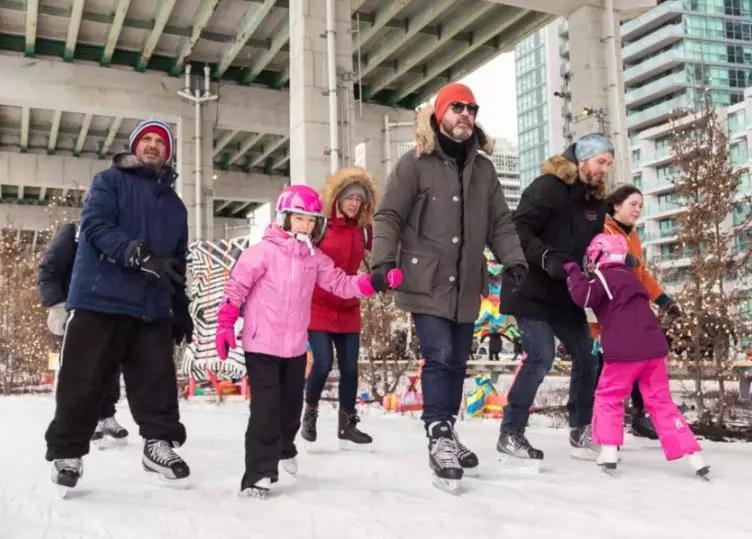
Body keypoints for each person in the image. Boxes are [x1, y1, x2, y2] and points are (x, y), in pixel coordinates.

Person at [372, 82, 528, 491]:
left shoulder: (484, 169)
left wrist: (514, 260)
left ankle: (447, 430)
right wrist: (382, 261)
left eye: (472, 109)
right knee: (439, 354)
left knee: (458, 359)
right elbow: (388, 215)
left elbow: (499, 223)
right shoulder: (415, 163)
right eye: (457, 107)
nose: (466, 114)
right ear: (439, 113)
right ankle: (438, 432)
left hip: (466, 283)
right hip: (426, 279)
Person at [214, 185, 399, 498]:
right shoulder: (262, 253)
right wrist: (225, 324)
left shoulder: (314, 258)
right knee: (265, 409)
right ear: (284, 218)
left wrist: (375, 282)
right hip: (262, 346)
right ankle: (259, 474)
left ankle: (285, 445)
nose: (305, 226)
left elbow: (341, 283)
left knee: (290, 408)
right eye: (299, 219)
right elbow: (236, 289)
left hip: (295, 347)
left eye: (311, 221)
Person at [44, 119, 194, 490]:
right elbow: (94, 227)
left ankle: (158, 444)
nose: (154, 145)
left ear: (168, 153)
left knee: (158, 380)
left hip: (151, 306)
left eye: (161, 141)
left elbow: (178, 262)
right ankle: (68, 454)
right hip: (101, 298)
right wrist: (132, 251)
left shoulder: (176, 207)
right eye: (147, 139)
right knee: (83, 381)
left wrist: (180, 305)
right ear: (134, 146)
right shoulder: (109, 181)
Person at [498, 133, 612, 464]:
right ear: (582, 159)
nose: (604, 169)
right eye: (600, 162)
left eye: (608, 164)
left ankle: (580, 428)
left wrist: (604, 263)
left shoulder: (595, 203)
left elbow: (592, 246)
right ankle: (511, 432)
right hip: (531, 288)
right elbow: (518, 230)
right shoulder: (547, 187)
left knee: (587, 357)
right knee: (541, 356)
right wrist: (546, 256)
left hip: (565, 293)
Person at [563, 234, 709, 478]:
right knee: (660, 401)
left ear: (599, 255)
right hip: (654, 348)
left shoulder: (602, 276)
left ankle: (608, 452)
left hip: (625, 351)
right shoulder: (630, 278)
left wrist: (572, 272)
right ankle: (694, 456)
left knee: (609, 396)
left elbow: (583, 297)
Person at [596, 185, 682, 439]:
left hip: (632, 309)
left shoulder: (633, 236)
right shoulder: (603, 230)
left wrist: (664, 299)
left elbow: (641, 273)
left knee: (642, 359)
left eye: (640, 206)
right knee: (608, 369)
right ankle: (599, 426)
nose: (638, 210)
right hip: (610, 310)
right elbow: (595, 260)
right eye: (633, 204)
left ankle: (639, 416)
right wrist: (619, 258)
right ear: (616, 206)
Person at [302, 167, 378, 448]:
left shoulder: (363, 230)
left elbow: (380, 253)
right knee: (322, 362)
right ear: (338, 198)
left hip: (348, 305)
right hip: (319, 304)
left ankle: (347, 423)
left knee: (350, 368)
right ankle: (309, 413)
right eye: (349, 197)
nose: (354, 203)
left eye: (359, 199)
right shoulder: (321, 226)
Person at [37, 222, 128, 445]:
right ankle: (82, 422)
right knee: (81, 371)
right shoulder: (73, 232)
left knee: (110, 367)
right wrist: (55, 305)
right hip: (75, 310)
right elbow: (48, 269)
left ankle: (106, 416)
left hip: (107, 310)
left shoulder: (119, 234)